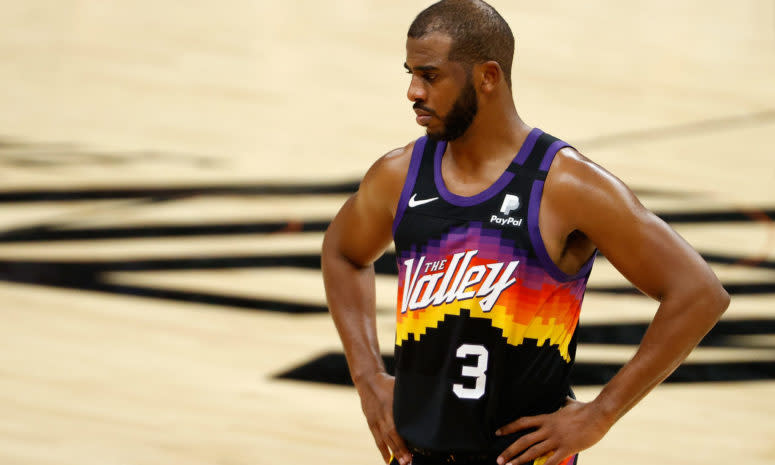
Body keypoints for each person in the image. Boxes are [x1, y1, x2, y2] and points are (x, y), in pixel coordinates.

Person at [321, 1, 730, 464]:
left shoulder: (566, 185)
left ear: (487, 77)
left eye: (430, 76)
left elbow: (699, 293)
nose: (413, 91)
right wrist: (368, 377)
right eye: (410, 73)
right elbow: (342, 251)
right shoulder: (399, 175)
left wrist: (601, 413)